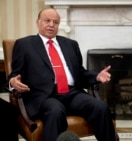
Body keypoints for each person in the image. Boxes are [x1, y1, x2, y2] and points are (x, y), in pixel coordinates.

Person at [8, 8, 116, 141]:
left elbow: (80, 73)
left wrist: (96, 77)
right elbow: (15, 73)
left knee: (101, 107)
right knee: (55, 111)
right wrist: (13, 81)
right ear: (38, 22)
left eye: (55, 22)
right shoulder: (24, 45)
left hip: (72, 93)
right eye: (47, 21)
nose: (51, 25)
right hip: (45, 96)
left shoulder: (70, 44)